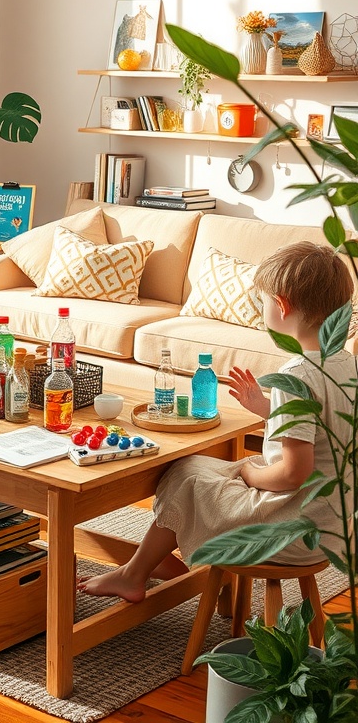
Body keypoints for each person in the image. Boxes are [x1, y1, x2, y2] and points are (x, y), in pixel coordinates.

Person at [78, 242, 356, 603]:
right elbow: (327, 430)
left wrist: (252, 475)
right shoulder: (346, 365)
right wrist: (269, 411)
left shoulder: (298, 375)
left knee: (186, 474)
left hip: (288, 528)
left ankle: (136, 572)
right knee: (199, 469)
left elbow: (293, 473)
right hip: (328, 528)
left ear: (282, 305)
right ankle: (147, 562)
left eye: (265, 302)